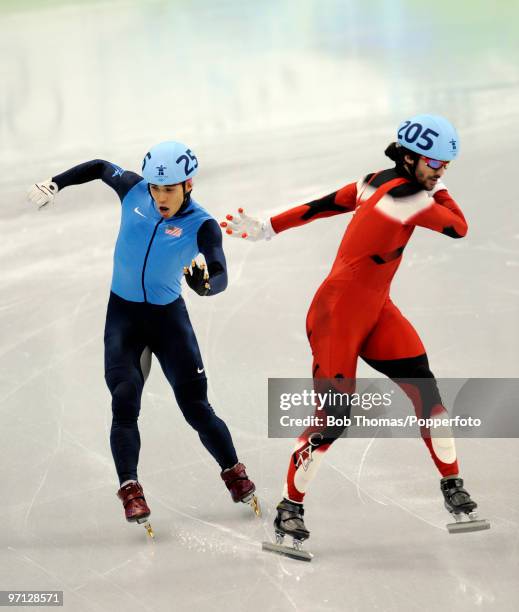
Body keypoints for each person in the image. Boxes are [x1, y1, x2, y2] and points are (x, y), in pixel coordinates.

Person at [222, 114, 488, 553]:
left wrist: (269, 226)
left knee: (428, 394)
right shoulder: (410, 200)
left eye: (446, 165)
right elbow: (459, 227)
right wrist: (438, 190)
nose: (440, 171)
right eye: (434, 163)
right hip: (335, 317)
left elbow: (321, 205)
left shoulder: (371, 182)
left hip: (375, 311)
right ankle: (290, 509)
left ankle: (453, 485)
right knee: (333, 421)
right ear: (408, 157)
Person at [27, 141, 259, 536]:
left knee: (196, 408)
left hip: (168, 321)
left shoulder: (201, 223)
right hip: (124, 318)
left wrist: (206, 286)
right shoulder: (134, 190)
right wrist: (56, 183)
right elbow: (101, 166)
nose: (160, 196)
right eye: (156, 187)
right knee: (124, 398)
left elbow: (219, 270)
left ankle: (233, 472)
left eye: (169, 189)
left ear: (188, 185)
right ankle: (129, 486)